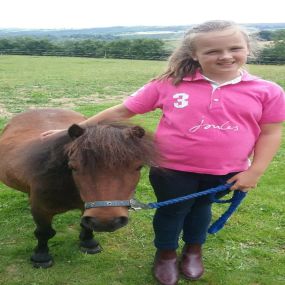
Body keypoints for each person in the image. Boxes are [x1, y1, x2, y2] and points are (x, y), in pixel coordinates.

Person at [42, 20, 285, 285]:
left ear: (247, 48)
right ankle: (166, 254)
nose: (225, 56)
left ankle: (194, 250)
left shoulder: (267, 91)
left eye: (234, 48)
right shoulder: (169, 84)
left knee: (201, 209)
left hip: (224, 171)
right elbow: (123, 111)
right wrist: (70, 130)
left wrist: (255, 171)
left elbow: (270, 132)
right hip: (171, 169)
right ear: (194, 54)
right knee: (172, 212)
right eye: (213, 51)